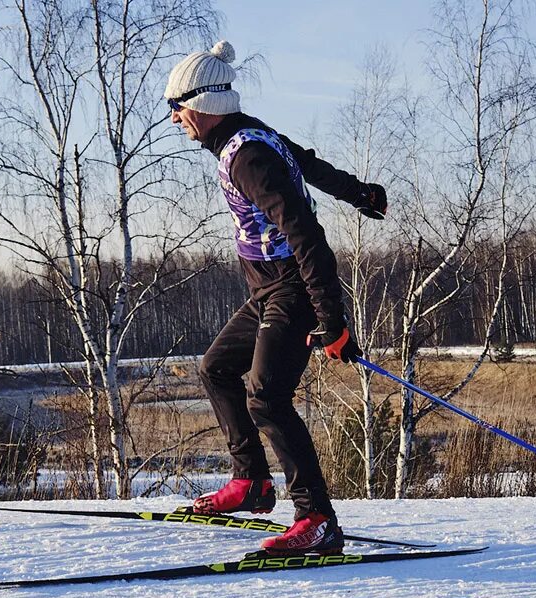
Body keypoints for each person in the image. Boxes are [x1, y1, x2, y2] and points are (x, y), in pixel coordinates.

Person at [164, 41, 387, 555]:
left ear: (204, 103)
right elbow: (306, 163)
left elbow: (305, 233)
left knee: (266, 397)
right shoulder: (249, 137)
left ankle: (317, 520)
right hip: (269, 290)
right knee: (217, 368)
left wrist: (332, 319)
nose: (175, 118)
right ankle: (252, 483)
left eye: (177, 106)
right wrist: (359, 192)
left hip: (294, 287)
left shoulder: (249, 157)